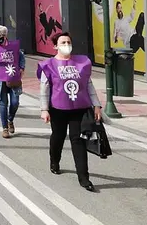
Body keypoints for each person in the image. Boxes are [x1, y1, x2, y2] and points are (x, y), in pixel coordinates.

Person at [38, 32, 102, 192]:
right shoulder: (49, 65)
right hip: (58, 108)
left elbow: (88, 85)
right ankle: (54, 161)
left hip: (78, 108)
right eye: (63, 42)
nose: (66, 45)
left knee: (78, 140)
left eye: (68, 42)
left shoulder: (81, 63)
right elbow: (44, 89)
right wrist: (44, 109)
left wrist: (96, 105)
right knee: (58, 137)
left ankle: (84, 178)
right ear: (55, 46)